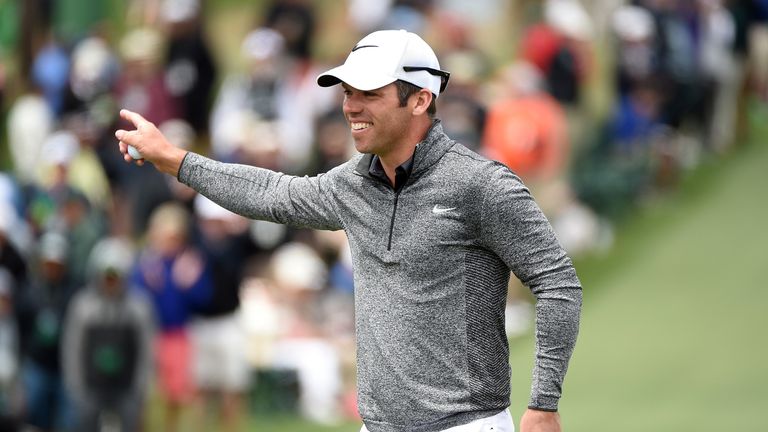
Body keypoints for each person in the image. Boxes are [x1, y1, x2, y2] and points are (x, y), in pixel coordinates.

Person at [116, 29, 582, 432]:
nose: (351, 107)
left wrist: (543, 403)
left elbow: (558, 283)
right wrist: (175, 160)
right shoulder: (352, 183)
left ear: (420, 98)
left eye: (369, 94)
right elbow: (271, 193)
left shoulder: (481, 184)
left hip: (468, 424)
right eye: (346, 93)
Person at [62, 236, 154, 432]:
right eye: (107, 276)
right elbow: (73, 347)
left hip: (126, 388)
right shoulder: (83, 305)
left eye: (116, 276)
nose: (111, 282)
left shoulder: (139, 307)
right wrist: (76, 387)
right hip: (91, 388)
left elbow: (147, 350)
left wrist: (140, 388)